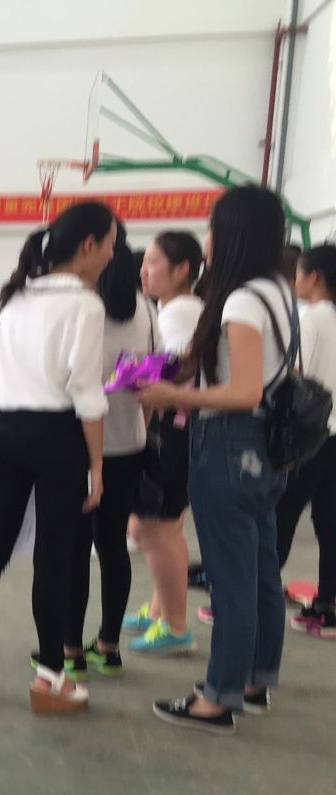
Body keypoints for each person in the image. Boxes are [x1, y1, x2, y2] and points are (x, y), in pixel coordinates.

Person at [0, 201, 115, 715]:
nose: (112, 254)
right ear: (87, 245)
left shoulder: (12, 299)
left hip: (8, 434)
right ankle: (49, 679)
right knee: (52, 561)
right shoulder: (86, 306)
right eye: (110, 244)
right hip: (60, 438)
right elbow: (87, 394)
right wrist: (97, 465)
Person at [138, 186, 293, 733]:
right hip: (264, 449)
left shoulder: (243, 300)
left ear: (232, 234)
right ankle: (254, 679)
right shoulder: (278, 290)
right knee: (259, 568)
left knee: (232, 577)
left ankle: (217, 698)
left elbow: (244, 390)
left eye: (211, 227)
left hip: (231, 444)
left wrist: (171, 395)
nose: (206, 238)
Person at [56, 222, 154, 680]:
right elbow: (155, 377)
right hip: (129, 443)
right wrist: (138, 427)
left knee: (75, 550)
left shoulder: (80, 308)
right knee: (113, 546)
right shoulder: (146, 309)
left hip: (79, 445)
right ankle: (109, 647)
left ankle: (70, 651)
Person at [124, 232, 204, 655]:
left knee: (153, 528)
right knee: (161, 527)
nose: (144, 270)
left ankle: (175, 627)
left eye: (153, 262)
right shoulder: (173, 308)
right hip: (178, 428)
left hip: (174, 430)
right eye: (145, 261)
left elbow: (170, 372)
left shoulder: (180, 312)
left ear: (182, 269)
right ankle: (160, 611)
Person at [276, 244, 336, 639]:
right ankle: (327, 608)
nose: (294, 280)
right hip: (335, 434)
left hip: (309, 436)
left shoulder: (309, 318)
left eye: (298, 273)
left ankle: (255, 596)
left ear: (314, 277)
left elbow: (296, 375)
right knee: (330, 524)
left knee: (280, 515)